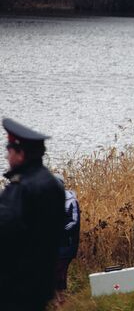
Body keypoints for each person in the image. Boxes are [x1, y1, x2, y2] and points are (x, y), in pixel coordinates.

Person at [0, 118, 65, 311]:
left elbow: (6, 233)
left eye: (9, 150)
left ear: (21, 154)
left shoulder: (23, 187)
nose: (6, 156)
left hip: (14, 286)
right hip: (38, 283)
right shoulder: (50, 183)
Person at [54, 174, 80, 307]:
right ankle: (59, 300)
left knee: (58, 270)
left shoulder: (71, 201)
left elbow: (74, 222)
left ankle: (61, 301)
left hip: (67, 244)